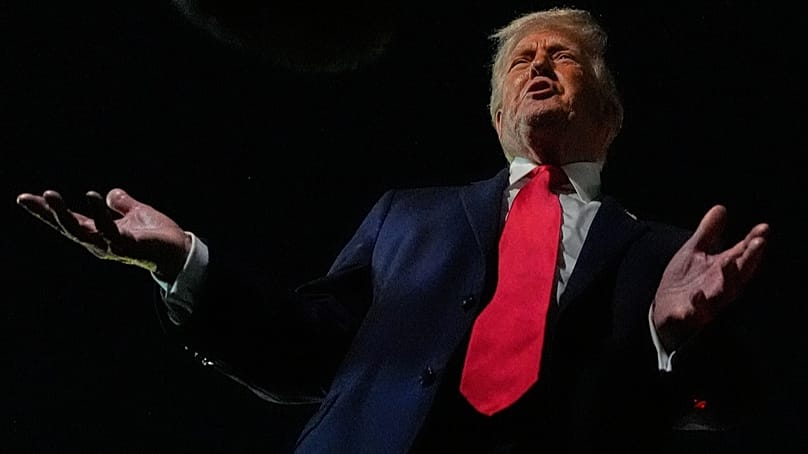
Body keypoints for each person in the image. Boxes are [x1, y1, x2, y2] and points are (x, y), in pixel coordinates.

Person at [16, 7, 770, 454]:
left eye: (562, 56)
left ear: (608, 112)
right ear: (497, 114)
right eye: (521, 61)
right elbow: (304, 353)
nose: (539, 65)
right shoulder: (407, 215)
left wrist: (677, 342)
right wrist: (185, 262)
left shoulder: (670, 255)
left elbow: (729, 409)